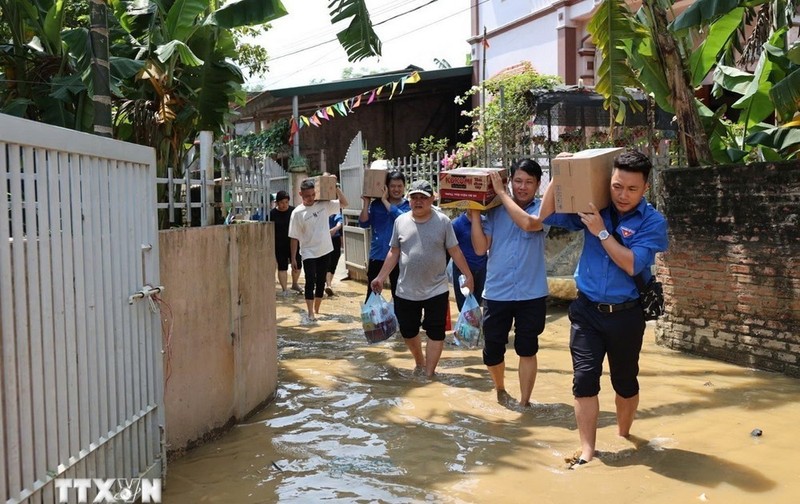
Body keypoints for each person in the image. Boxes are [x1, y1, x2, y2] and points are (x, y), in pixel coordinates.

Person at [542, 150, 668, 467]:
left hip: (627, 314)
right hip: (586, 311)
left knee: (624, 383)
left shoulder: (653, 222)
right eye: (616, 186)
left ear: (645, 189)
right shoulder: (593, 207)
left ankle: (625, 433)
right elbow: (545, 215)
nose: (622, 195)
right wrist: (560, 173)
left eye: (631, 189)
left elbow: (630, 264)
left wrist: (600, 230)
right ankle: (587, 450)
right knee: (584, 380)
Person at [371, 180, 474, 378]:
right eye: (414, 197)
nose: (418, 202)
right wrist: (380, 277)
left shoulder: (443, 221)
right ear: (409, 200)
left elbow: (455, 250)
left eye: (423, 198)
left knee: (436, 332)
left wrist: (467, 275)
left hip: (437, 289)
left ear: (432, 199)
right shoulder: (400, 221)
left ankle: (429, 374)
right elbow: (394, 252)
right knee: (408, 331)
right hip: (406, 289)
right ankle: (419, 361)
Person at [470, 159, 549, 408]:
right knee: (492, 351)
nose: (522, 187)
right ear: (510, 180)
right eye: (518, 181)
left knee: (527, 349)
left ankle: (525, 403)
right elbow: (481, 248)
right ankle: (500, 389)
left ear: (538, 185)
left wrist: (502, 193)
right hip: (497, 292)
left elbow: (528, 224)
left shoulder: (544, 209)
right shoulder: (494, 210)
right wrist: (474, 215)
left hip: (532, 293)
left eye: (528, 182)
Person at [289, 177, 349, 323]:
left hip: (325, 249)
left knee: (321, 281)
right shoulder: (297, 213)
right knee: (310, 280)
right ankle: (310, 312)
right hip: (308, 251)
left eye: (312, 195)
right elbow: (294, 237)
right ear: (300, 194)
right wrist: (293, 258)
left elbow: (345, 204)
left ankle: (317, 309)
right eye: (307, 195)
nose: (310, 198)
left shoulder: (324, 205)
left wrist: (334, 188)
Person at [359, 171, 411, 303]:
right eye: (393, 186)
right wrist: (366, 203)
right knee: (372, 292)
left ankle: (399, 322)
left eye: (399, 186)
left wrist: (385, 201)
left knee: (399, 293)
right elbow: (364, 223)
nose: (396, 189)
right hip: (377, 254)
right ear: (386, 187)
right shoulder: (376, 205)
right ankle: (372, 322)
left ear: (404, 187)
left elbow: (402, 219)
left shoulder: (408, 206)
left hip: (399, 257)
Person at [451, 211, 487, 311]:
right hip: (462, 272)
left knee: (478, 304)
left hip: (482, 270)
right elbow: (451, 249)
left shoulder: (486, 222)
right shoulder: (456, 224)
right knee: (465, 308)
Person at [269, 190, 302, 296]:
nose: (284, 205)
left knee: (297, 264)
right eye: (282, 202)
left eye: (286, 202)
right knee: (282, 267)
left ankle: (295, 283)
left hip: (294, 242)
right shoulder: (272, 214)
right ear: (277, 203)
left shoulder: (294, 211)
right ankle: (284, 289)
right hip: (279, 244)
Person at [325, 210, 344, 296]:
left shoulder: (335, 211)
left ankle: (328, 284)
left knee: (334, 262)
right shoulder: (320, 209)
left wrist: (335, 229)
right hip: (322, 239)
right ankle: (328, 285)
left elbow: (340, 222)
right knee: (326, 262)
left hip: (334, 239)